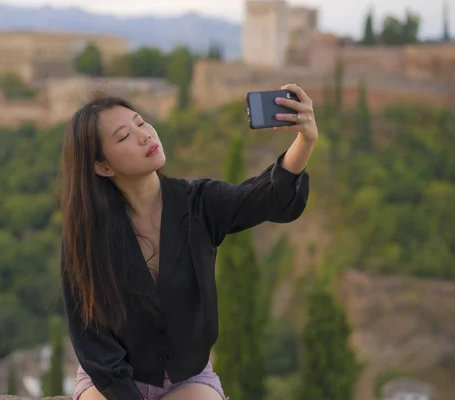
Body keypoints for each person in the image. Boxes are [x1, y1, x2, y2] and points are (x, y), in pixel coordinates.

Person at [60, 83, 317, 400]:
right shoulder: (87, 235)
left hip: (186, 379)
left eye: (141, 123)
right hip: (111, 380)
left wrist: (305, 140)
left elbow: (266, 197)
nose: (145, 136)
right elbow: (92, 341)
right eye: (123, 137)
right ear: (102, 166)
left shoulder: (199, 203)